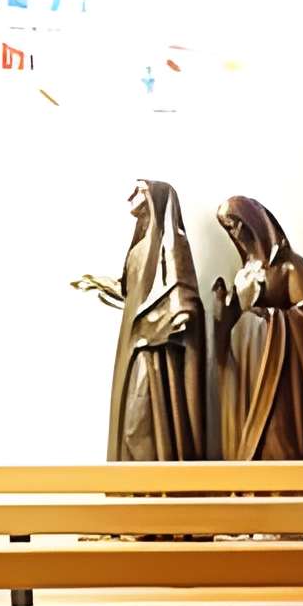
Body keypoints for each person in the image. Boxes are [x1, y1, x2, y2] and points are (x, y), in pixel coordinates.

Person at [71, 178, 210, 462]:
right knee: (130, 418)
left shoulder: (171, 241)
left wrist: (180, 313)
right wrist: (101, 284)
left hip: (155, 345)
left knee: (143, 413)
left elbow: (182, 288)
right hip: (135, 339)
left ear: (155, 200)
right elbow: (131, 290)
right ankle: (136, 483)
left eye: (139, 191)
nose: (132, 198)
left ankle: (155, 478)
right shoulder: (138, 249)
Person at [207, 194, 303, 461]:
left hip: (279, 369)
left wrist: (268, 318)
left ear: (254, 221)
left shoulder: (288, 266)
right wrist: (222, 312)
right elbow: (231, 322)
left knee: (276, 435)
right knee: (246, 432)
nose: (233, 231)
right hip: (248, 367)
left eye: (236, 223)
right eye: (227, 227)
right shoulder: (243, 273)